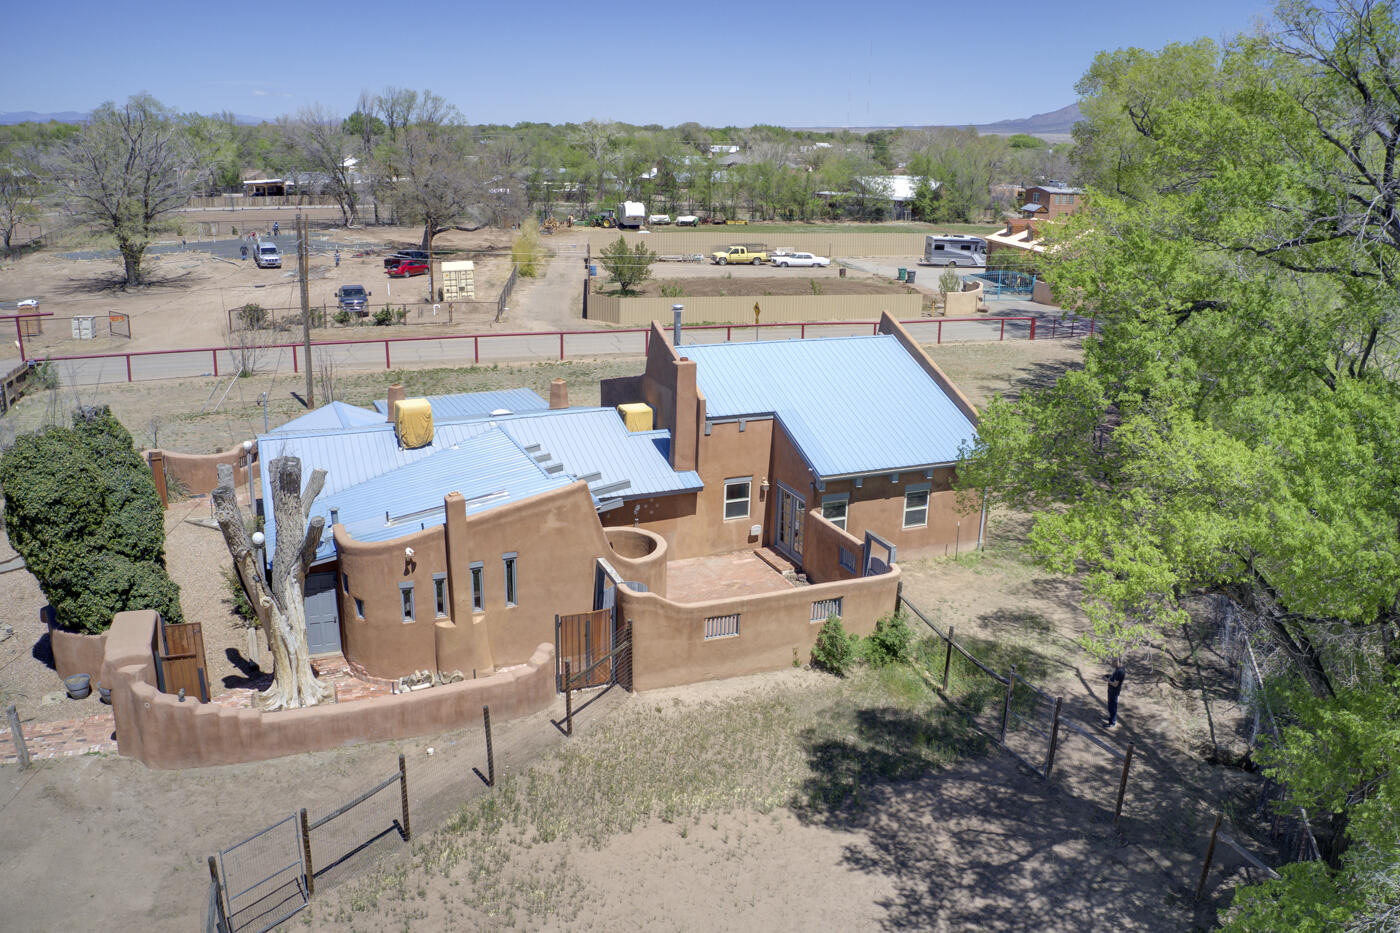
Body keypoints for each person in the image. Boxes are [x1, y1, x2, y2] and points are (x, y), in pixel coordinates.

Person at [1104, 663, 1126, 727]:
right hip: (1111, 691)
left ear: (1118, 662)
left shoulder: (1120, 671)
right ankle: (1111, 718)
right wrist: (1110, 676)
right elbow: (1115, 679)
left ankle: (1112, 723)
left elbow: (1115, 684)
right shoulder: (1118, 669)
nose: (1111, 663)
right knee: (1110, 706)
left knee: (1113, 707)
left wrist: (1107, 680)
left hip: (1114, 692)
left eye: (1113, 661)